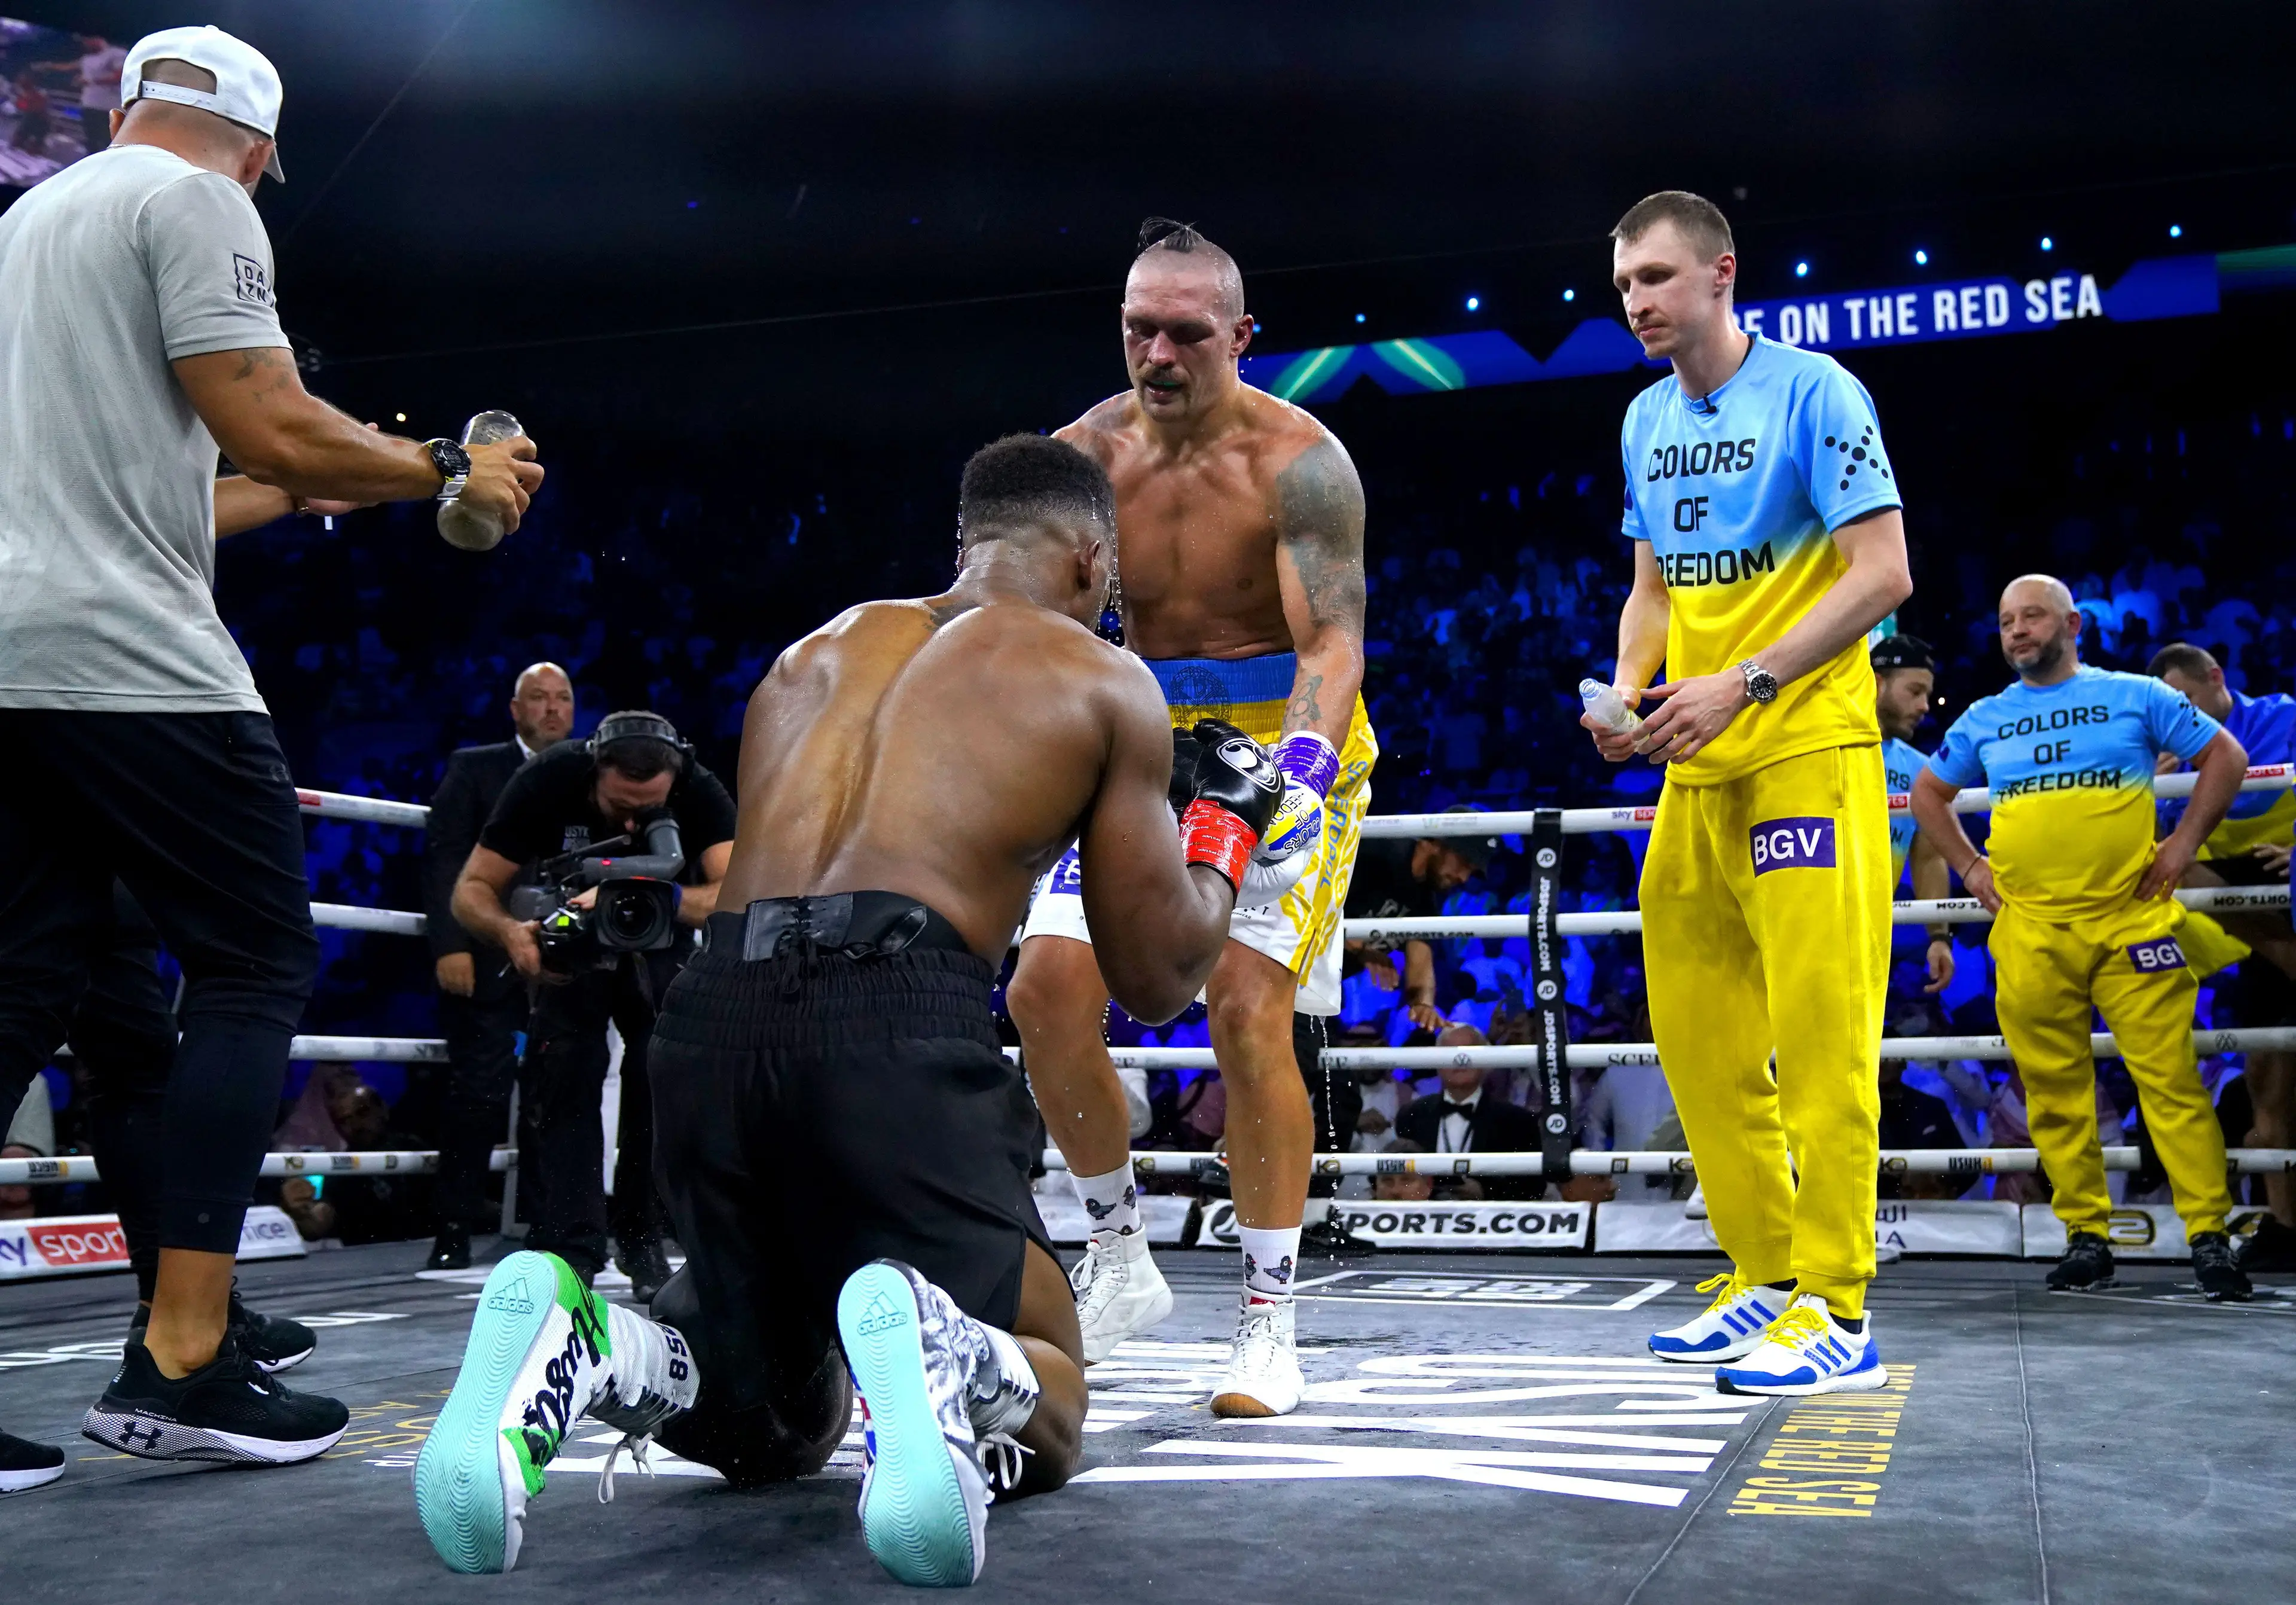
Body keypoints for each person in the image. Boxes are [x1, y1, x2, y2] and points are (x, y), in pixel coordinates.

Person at [414, 434, 1272, 1585]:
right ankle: (948, 1341)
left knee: (769, 1424)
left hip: (713, 1022)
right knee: (1053, 1395)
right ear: (1090, 561)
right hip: (897, 1023)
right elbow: (1160, 972)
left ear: (965, 545)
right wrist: (1225, 823)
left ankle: (598, 1340)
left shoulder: (810, 653)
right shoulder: (1100, 674)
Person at [0, 25, 541, 1471]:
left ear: (125, 105)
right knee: (252, 962)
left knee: (27, 993)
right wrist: (439, 468)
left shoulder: (28, 222)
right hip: (131, 662)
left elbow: (173, 482)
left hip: (14, 658)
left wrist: (321, 488)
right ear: (257, 145)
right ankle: (182, 1355)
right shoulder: (198, 202)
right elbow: (269, 415)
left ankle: (200, 1325)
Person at [1005, 219, 1375, 1410]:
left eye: (1186, 331)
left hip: (1285, 741)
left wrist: (1302, 777)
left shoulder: (1302, 461)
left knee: (1245, 1005)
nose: (1157, 353)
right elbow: (1020, 620)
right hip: (1145, 743)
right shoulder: (1076, 459)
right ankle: (1118, 1253)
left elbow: (1330, 637)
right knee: (1044, 989)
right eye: (1137, 328)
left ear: (1241, 336)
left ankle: (1270, 1320)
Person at [1584, 190, 1912, 1396]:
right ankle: (1765, 1274)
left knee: (1823, 1040)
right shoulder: (1642, 419)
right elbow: (1655, 590)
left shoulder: (1819, 392)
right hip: (1693, 764)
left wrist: (1749, 684)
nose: (1637, 304)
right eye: (1624, 287)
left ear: (1724, 274)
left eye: (1658, 280)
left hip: (1806, 753)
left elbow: (1885, 573)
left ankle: (1836, 1300)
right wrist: (1626, 691)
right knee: (1701, 1039)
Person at [1912, 576, 2252, 1300]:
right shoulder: (1986, 715)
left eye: (2031, 616)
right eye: (2006, 621)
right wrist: (1970, 866)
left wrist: (2184, 843)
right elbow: (1926, 796)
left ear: (2072, 623)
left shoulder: (2137, 694)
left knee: (2171, 1081)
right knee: (2053, 1090)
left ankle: (2209, 1236)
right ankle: (2086, 1236)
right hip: (2032, 928)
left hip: (2131, 920)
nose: (2017, 631)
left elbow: (2227, 755)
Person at [451, 710, 733, 1300]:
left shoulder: (697, 786)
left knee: (662, 1080)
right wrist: (511, 933)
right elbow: (471, 889)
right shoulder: (550, 777)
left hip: (660, 938)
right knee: (564, 1078)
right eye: (619, 807)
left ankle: (643, 1235)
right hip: (573, 945)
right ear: (593, 772)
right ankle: (570, 1248)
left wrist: (654, 894)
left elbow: (736, 893)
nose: (632, 821)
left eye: (646, 810)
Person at [421, 662, 577, 1271]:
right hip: (487, 958)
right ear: (516, 708)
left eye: (563, 698)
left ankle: (545, 1226)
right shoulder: (477, 767)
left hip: (561, 966)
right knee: (477, 1091)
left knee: (553, 1092)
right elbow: (444, 859)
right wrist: (449, 944)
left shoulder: (584, 772)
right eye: (538, 698)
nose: (552, 708)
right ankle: (452, 1224)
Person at [2150, 641, 2296, 1272]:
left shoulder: (2283, 719)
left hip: (2286, 888)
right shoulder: (2173, 758)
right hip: (2252, 927)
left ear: (2218, 678)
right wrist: (2151, 788)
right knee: (2269, 1078)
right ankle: (2287, 1228)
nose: (2178, 717)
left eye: (2184, 700)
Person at [1343, 805, 1494, 1033]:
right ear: (1437, 844)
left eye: (1470, 872)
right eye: (1463, 863)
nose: (1463, 878)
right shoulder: (1379, 851)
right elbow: (1316, 899)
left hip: (1320, 983)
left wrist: (1423, 1005)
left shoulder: (1426, 897)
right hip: (1289, 960)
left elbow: (1421, 959)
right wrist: (1359, 947)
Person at [1871, 634, 1956, 993]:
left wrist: (1939, 936)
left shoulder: (1920, 770)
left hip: (1872, 933)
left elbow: (1929, 859)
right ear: (1876, 683)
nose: (1925, 706)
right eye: (1915, 691)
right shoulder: (1821, 749)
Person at [1393, 1036, 1544, 1200]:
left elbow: (1534, 1186)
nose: (1460, 1060)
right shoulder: (1411, 1114)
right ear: (1436, 1062)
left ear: (1485, 1062)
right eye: (1452, 1053)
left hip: (1490, 1219)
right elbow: (1399, 1175)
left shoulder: (1518, 1120)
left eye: (1468, 1052)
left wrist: (1485, 1192)